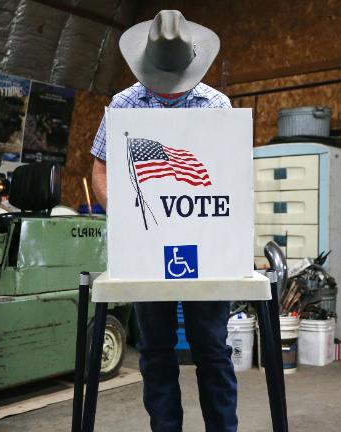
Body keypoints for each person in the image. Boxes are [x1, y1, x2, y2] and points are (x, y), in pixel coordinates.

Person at [90, 10, 237, 432]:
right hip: (146, 245)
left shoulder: (215, 105)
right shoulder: (124, 104)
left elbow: (229, 175)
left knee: (211, 348)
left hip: (205, 244)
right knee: (155, 349)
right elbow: (100, 170)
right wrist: (125, 214)